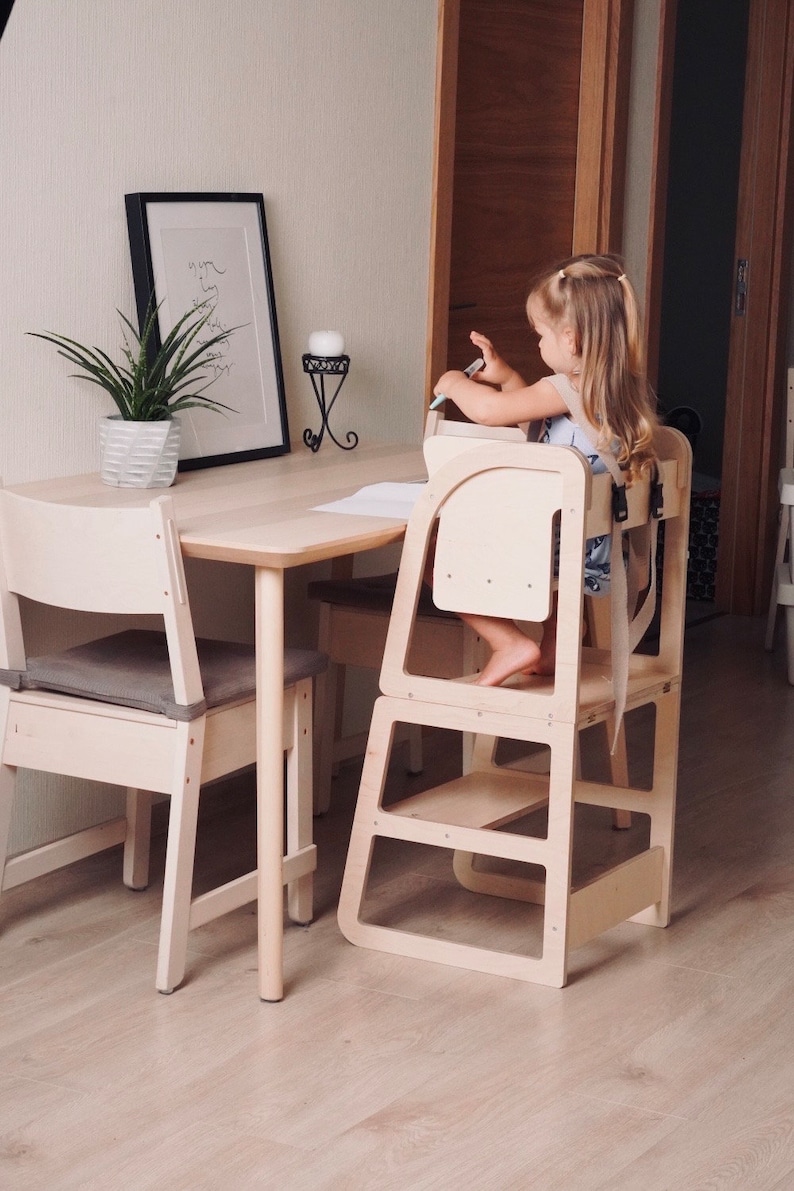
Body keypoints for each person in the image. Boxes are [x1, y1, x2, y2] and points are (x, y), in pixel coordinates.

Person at [432, 252, 658, 687]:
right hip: (592, 552)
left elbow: (489, 411)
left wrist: (453, 383)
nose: (538, 344)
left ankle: (509, 642)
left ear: (570, 340)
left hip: (546, 546)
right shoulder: (617, 393)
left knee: (433, 547)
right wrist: (508, 374)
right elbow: (540, 427)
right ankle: (554, 646)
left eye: (540, 335)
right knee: (558, 517)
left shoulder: (562, 387)